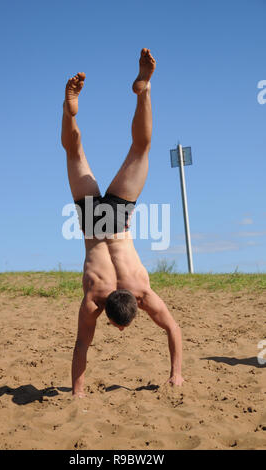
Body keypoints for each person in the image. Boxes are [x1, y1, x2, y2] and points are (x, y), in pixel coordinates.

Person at [61, 48, 184, 397]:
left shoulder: (138, 289)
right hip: (91, 221)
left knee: (141, 149)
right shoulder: (97, 297)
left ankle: (143, 89)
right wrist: (175, 376)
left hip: (115, 218)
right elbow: (171, 328)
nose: (117, 330)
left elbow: (82, 345)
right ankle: (76, 107)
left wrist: (78, 392)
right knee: (76, 153)